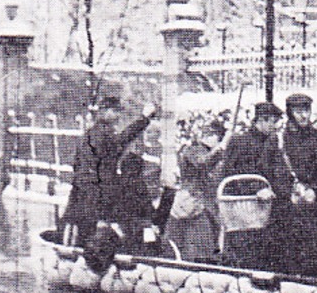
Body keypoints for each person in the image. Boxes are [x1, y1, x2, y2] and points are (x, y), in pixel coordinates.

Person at [61, 95, 153, 246]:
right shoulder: (102, 133)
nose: (118, 116)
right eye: (115, 111)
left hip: (83, 190)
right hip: (94, 192)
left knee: (78, 227)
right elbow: (121, 142)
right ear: (105, 111)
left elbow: (78, 163)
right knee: (92, 228)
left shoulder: (92, 133)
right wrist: (144, 119)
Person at [268, 93, 317, 276]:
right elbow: (268, 172)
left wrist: (315, 189)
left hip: (313, 209)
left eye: (306, 110)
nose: (304, 115)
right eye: (299, 111)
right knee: (285, 258)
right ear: (290, 112)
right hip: (285, 209)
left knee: (313, 257)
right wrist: (286, 192)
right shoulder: (277, 141)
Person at [82, 146, 176, 275]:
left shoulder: (112, 186)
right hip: (134, 234)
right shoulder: (138, 187)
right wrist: (168, 194)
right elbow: (150, 215)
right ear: (140, 170)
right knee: (153, 232)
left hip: (119, 230)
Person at [218, 100, 285, 270]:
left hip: (265, 207)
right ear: (262, 120)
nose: (275, 126)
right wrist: (256, 189)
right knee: (245, 253)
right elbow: (233, 173)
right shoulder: (240, 142)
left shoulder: (271, 142)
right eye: (273, 122)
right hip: (243, 207)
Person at [169, 116, 232, 262]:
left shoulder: (215, 153)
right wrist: (221, 147)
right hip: (193, 204)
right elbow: (203, 163)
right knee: (197, 248)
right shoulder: (192, 149)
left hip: (208, 205)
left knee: (209, 245)